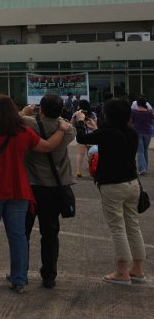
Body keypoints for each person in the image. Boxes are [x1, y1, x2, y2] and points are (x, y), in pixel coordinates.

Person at [0, 94, 70, 292]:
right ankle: (19, 280)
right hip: (19, 190)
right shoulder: (23, 133)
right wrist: (62, 131)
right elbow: (47, 147)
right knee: (18, 236)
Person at [74, 100, 147, 285]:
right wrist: (96, 128)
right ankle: (137, 269)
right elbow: (114, 140)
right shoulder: (131, 131)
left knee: (117, 227)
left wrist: (81, 121)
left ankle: (122, 271)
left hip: (113, 186)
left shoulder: (108, 133)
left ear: (108, 115)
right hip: (132, 184)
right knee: (132, 225)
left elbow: (82, 139)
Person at [20, 94, 76, 289]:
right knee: (50, 233)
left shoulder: (28, 124)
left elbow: (14, 120)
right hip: (54, 188)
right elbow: (69, 127)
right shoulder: (68, 131)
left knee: (23, 232)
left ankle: (20, 273)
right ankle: (49, 275)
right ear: (61, 111)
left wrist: (26, 111)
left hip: (31, 187)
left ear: (40, 109)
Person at [130, 96, 154, 175]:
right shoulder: (150, 112)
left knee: (140, 151)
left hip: (137, 132)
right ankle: (144, 168)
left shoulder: (134, 112)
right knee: (145, 150)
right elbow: (152, 122)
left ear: (137, 103)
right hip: (148, 133)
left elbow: (131, 122)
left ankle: (142, 169)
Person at [74, 100, 97, 178]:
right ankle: (92, 169)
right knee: (91, 153)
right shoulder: (92, 114)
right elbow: (95, 124)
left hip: (81, 133)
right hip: (91, 134)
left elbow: (71, 123)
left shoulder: (77, 113)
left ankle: (78, 171)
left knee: (80, 153)